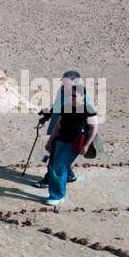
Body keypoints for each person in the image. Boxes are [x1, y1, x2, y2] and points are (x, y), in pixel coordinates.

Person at [32, 70, 98, 189]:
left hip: (70, 134)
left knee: (54, 156)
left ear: (75, 82)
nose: (62, 82)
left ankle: (48, 180)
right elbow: (57, 106)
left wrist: (86, 142)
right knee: (58, 154)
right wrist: (46, 116)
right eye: (62, 80)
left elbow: (90, 120)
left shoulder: (81, 97)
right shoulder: (62, 91)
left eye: (65, 80)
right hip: (58, 128)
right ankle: (69, 176)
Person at [44, 75, 99, 206]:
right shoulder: (66, 107)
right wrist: (50, 141)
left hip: (74, 144)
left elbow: (94, 127)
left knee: (59, 166)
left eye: (74, 96)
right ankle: (57, 192)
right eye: (70, 96)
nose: (71, 98)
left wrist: (87, 145)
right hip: (61, 140)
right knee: (54, 165)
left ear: (82, 97)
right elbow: (58, 125)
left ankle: (57, 195)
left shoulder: (87, 109)